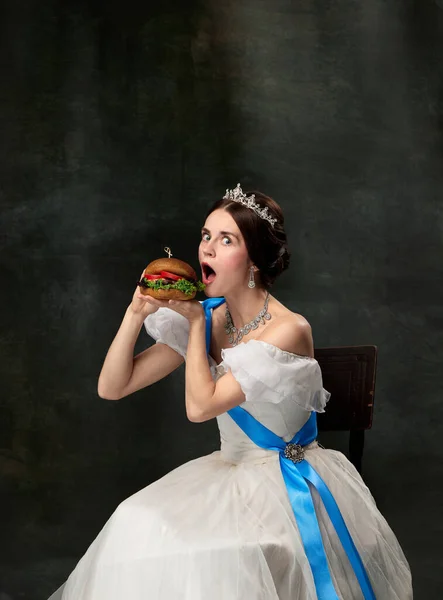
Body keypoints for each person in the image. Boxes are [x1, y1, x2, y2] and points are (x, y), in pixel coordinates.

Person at [48, 184, 412, 599]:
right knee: (135, 520)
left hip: (283, 484)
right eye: (206, 236)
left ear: (253, 258)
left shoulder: (288, 329)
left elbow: (199, 408)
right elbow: (112, 387)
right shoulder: (209, 315)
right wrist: (136, 313)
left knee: (210, 554)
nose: (207, 250)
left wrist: (198, 326)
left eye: (226, 240)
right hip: (227, 471)